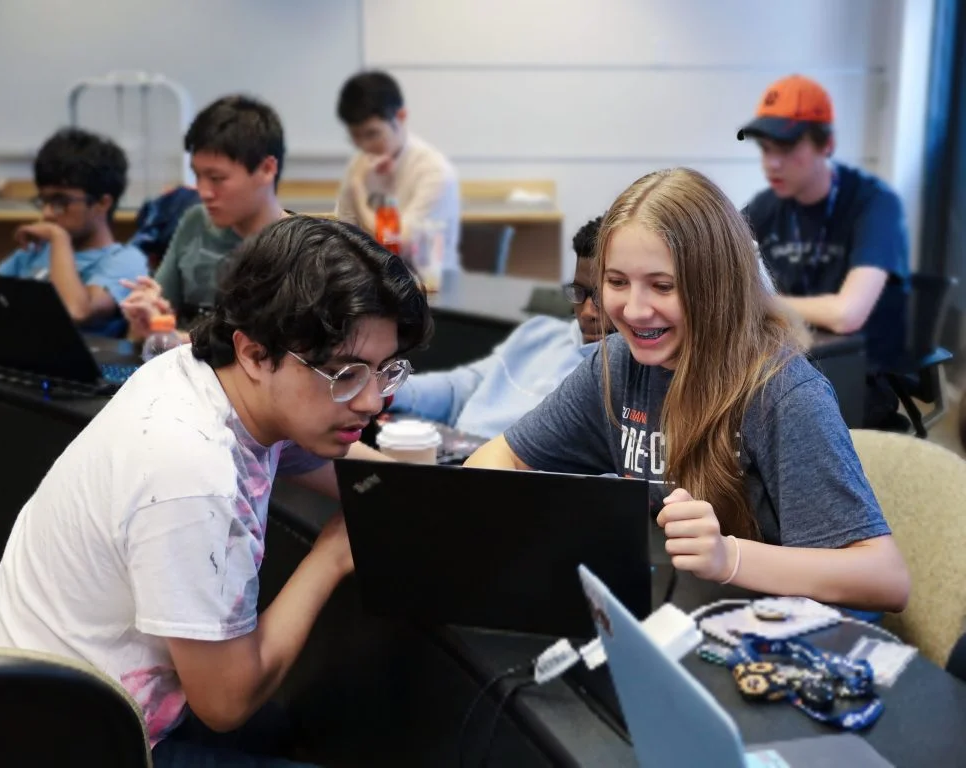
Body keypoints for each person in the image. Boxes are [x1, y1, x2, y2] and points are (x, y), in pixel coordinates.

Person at [0, 216, 433, 766]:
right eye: (346, 374)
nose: (372, 401)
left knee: (294, 725)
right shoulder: (192, 473)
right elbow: (226, 704)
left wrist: (414, 491)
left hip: (37, 697)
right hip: (62, 742)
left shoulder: (198, 371)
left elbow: (317, 457)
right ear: (255, 353)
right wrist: (332, 554)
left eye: (385, 370)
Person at [465, 168, 909, 613]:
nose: (634, 309)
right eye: (616, 282)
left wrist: (729, 558)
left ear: (717, 286)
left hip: (787, 632)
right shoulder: (616, 364)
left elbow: (884, 579)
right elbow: (498, 457)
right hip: (689, 614)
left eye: (662, 286)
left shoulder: (783, 393)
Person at [738, 74, 910, 430]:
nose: (771, 163)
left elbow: (847, 314)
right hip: (783, 361)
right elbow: (720, 260)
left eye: (785, 149)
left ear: (826, 145)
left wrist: (760, 301)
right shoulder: (767, 206)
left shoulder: (873, 205)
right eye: (766, 149)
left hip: (855, 375)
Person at [387, 216, 608, 438]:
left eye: (601, 297)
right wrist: (388, 390)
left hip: (491, 457)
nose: (587, 312)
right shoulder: (541, 334)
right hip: (458, 450)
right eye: (579, 292)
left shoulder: (615, 376)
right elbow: (462, 389)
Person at [0, 128, 147, 336]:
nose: (47, 213)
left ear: (102, 203)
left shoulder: (125, 261)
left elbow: (75, 311)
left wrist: (59, 239)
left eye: (61, 202)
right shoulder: (36, 251)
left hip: (78, 356)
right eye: (43, 201)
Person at [121, 94, 289, 341]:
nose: (203, 192)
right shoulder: (195, 222)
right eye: (197, 176)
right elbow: (147, 332)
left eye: (217, 178)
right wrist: (147, 319)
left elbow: (264, 350)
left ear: (267, 169)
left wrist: (175, 339)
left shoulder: (296, 247)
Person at [335, 70, 460, 271]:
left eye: (372, 134)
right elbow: (343, 236)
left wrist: (358, 189)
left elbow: (393, 245)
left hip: (426, 283)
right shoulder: (360, 164)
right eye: (355, 137)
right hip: (372, 279)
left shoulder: (433, 172)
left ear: (400, 117)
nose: (364, 146)